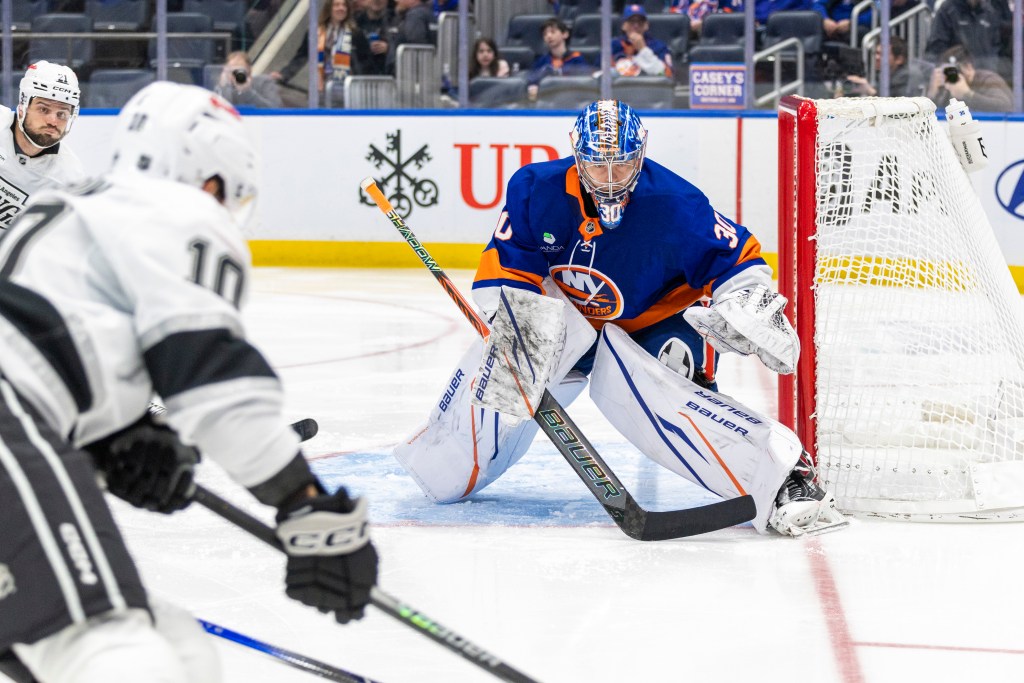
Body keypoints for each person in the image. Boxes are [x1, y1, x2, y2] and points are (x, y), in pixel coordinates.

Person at [0, 82, 379, 682]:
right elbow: (214, 384)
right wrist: (305, 504)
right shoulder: (177, 212)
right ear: (210, 175)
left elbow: (51, 343)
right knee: (110, 648)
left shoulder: (69, 205)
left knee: (177, 647)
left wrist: (117, 441)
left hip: (22, 422)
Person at [393, 99, 847, 538]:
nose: (610, 179)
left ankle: (786, 479)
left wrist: (746, 301)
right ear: (578, 157)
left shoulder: (676, 203)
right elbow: (510, 272)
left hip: (652, 325)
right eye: (598, 166)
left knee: (660, 390)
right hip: (565, 319)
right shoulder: (535, 189)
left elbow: (737, 259)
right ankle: (443, 457)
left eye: (623, 165)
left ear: (640, 155)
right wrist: (514, 332)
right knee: (480, 420)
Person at [0, 61, 86, 230]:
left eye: (62, 114)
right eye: (44, 109)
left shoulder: (69, 177)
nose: (53, 121)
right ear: (23, 107)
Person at [277, 0, 372, 103]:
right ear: (329, 9)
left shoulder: (356, 33)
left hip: (347, 91)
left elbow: (366, 61)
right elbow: (302, 57)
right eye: (337, 5)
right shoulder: (314, 32)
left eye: (344, 5)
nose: (341, 8)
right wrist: (284, 74)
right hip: (320, 89)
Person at [924, 0, 1010, 78]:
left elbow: (996, 54)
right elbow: (936, 52)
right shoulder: (948, 10)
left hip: (984, 81)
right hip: (955, 79)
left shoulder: (991, 13)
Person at [927, 45, 1013, 113]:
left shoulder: (987, 80)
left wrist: (967, 94)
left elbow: (1005, 107)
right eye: (946, 71)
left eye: (954, 71)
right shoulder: (947, 86)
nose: (951, 76)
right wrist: (932, 94)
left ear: (968, 68)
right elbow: (932, 115)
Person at [526, 18, 593, 102]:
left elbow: (584, 82)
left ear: (565, 34)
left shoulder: (576, 58)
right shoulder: (541, 61)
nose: (548, 36)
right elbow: (532, 81)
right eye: (545, 34)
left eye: (553, 32)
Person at [842, 35, 928, 97]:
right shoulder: (885, 74)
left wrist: (870, 90)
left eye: (882, 54)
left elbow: (899, 109)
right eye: (876, 53)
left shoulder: (908, 75)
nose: (877, 57)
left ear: (899, 59)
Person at [612, 4, 673, 78]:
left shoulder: (659, 46)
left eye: (640, 21)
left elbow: (666, 74)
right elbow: (601, 72)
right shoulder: (613, 45)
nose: (636, 25)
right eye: (631, 21)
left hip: (649, 84)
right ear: (623, 26)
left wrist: (643, 49)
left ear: (646, 25)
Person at [215, 50, 284, 108]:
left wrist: (247, 92)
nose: (236, 74)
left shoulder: (264, 82)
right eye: (233, 70)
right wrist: (222, 87)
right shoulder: (224, 86)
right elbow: (218, 108)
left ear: (249, 70)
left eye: (240, 70)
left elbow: (275, 108)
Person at [385, 0, 434, 74]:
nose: (396, 1)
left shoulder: (416, 15)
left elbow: (416, 45)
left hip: (410, 73)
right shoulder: (427, 12)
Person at [355, 0, 394, 76]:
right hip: (362, 76)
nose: (377, 0)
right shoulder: (356, 22)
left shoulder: (395, 19)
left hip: (389, 76)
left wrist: (389, 49)